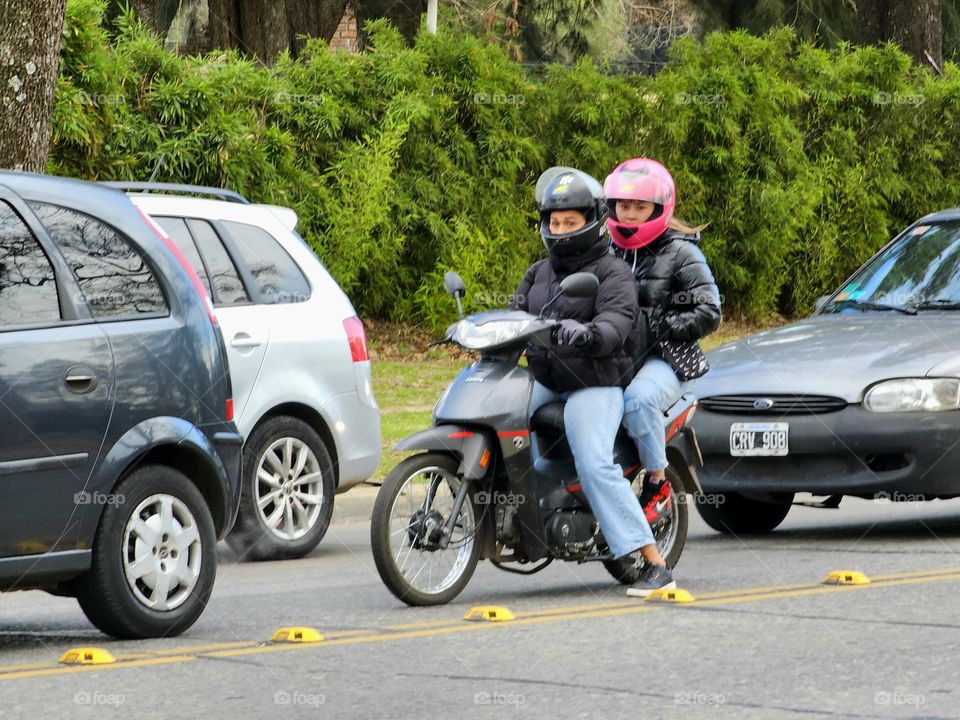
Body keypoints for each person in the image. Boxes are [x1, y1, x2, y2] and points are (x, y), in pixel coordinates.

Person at [511, 167, 675, 597]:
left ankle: (651, 560)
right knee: (498, 414)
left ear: (592, 220)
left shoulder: (613, 272)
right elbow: (515, 314)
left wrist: (587, 333)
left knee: (594, 462)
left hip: (594, 381)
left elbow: (617, 323)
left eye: (571, 221)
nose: (560, 229)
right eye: (554, 221)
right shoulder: (536, 273)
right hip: (546, 376)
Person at [604, 158, 721, 570]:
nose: (630, 213)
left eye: (639, 207)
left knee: (637, 402)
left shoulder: (680, 252)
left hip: (667, 359)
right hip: (615, 356)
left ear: (659, 208)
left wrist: (661, 325)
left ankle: (656, 482)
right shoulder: (605, 248)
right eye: (623, 205)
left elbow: (710, 311)